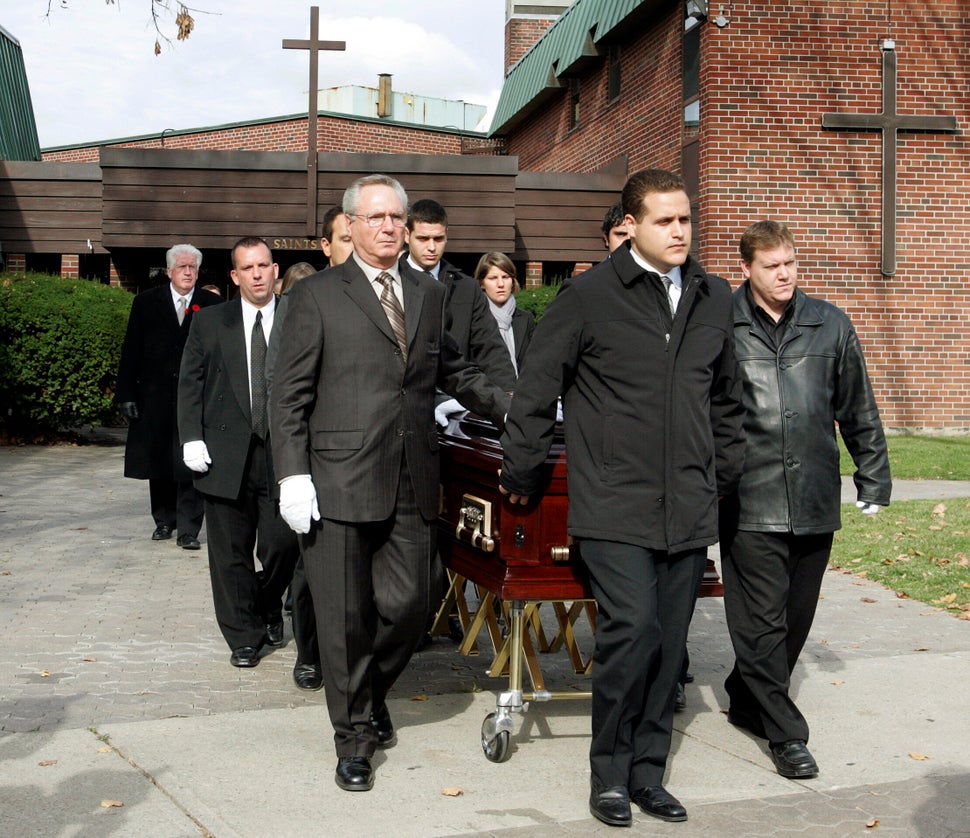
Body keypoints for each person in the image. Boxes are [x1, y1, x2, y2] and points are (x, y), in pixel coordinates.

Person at [499, 169, 745, 827]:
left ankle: (646, 774)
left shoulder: (713, 296)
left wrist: (722, 477)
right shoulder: (589, 296)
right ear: (631, 225)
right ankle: (607, 775)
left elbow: (727, 399)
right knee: (631, 629)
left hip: (687, 504)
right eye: (666, 221)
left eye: (686, 220)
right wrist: (520, 480)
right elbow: (534, 393)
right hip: (612, 502)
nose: (679, 232)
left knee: (668, 646)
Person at [269, 174, 510, 793]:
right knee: (343, 614)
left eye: (396, 217)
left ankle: (367, 688)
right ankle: (353, 735)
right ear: (348, 225)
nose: (388, 227)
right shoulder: (317, 296)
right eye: (374, 217)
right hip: (338, 480)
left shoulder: (426, 295)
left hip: (412, 477)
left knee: (413, 602)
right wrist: (293, 475)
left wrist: (520, 408)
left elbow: (452, 369)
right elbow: (288, 395)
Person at [720, 220, 892, 780]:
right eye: (772, 265)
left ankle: (746, 695)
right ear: (745, 270)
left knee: (795, 619)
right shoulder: (723, 325)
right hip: (748, 498)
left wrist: (874, 477)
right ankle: (786, 735)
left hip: (815, 495)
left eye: (790, 262)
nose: (786, 273)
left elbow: (857, 407)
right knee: (762, 623)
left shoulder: (830, 324)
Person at [177, 236, 299, 668]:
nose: (257, 274)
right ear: (235, 275)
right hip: (225, 454)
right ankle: (243, 637)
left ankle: (267, 603)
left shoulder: (297, 318)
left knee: (284, 544)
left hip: (282, 453)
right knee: (229, 555)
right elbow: (189, 382)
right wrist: (191, 436)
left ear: (275, 269)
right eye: (248, 268)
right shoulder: (211, 322)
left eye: (263, 265)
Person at [117, 244, 222, 550]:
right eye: (182, 267)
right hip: (155, 398)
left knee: (191, 462)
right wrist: (127, 394)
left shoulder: (211, 303)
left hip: (195, 396)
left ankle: (189, 529)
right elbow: (131, 351)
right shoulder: (146, 303)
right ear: (169, 271)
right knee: (159, 461)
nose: (188, 272)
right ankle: (164, 521)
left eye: (193, 268)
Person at [401, 198, 516, 392]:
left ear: (447, 235)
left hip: (457, 397)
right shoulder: (391, 281)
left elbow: (489, 346)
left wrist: (510, 392)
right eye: (423, 239)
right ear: (407, 235)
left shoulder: (466, 288)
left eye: (438, 239)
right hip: (407, 399)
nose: (431, 247)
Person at [473, 251, 535, 375]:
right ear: (481, 283)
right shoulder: (473, 318)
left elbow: (533, 362)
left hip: (520, 391)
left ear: (512, 281)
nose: (500, 284)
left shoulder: (525, 319)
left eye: (505, 277)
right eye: (493, 278)